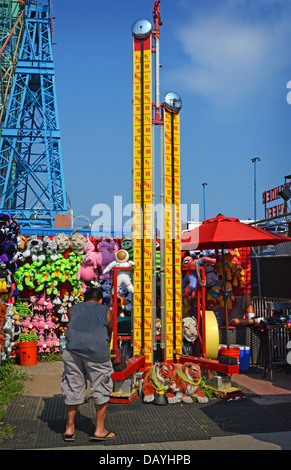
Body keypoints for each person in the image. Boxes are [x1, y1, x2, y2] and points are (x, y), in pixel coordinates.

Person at [61, 287, 116, 442]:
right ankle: (99, 429)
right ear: (100, 300)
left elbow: (74, 325)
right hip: (97, 353)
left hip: (72, 352)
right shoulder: (106, 311)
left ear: (84, 299)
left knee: (73, 384)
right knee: (101, 386)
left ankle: (70, 427)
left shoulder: (73, 309)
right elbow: (109, 332)